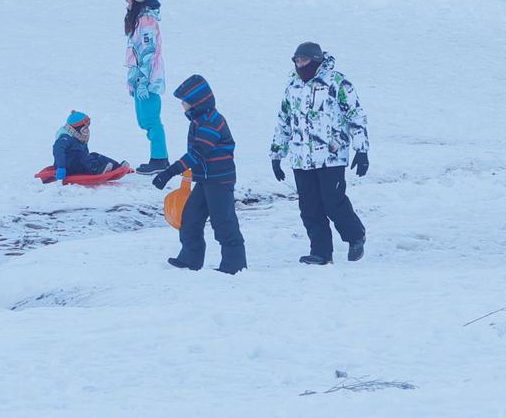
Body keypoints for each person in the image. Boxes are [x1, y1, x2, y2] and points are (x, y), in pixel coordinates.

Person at [269, 41, 369, 266]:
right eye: (296, 60)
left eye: (303, 60)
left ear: (315, 61)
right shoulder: (292, 86)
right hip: (300, 157)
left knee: (333, 202)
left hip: (330, 155)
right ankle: (321, 253)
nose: (299, 64)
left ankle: (355, 236)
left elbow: (355, 115)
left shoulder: (337, 83)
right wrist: (277, 155)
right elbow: (284, 121)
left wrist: (361, 150)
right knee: (309, 206)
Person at [152, 74, 245, 274]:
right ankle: (190, 258)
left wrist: (169, 172)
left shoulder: (211, 122)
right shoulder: (199, 120)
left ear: (197, 102)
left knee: (223, 222)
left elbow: (197, 154)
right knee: (190, 218)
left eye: (185, 102)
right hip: (205, 180)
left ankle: (235, 265)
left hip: (220, 181)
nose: (182, 106)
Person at [124, 0, 168, 174]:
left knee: (151, 120)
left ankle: (159, 159)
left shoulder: (147, 22)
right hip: (141, 79)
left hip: (148, 80)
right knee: (144, 120)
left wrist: (142, 81)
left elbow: (148, 53)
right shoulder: (139, 20)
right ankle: (158, 158)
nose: (126, 1)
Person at [51, 111, 123, 182]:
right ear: (76, 127)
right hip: (67, 167)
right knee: (80, 155)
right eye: (84, 128)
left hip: (77, 164)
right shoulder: (66, 137)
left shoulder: (79, 137)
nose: (86, 130)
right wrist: (61, 167)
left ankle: (116, 166)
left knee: (94, 155)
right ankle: (95, 169)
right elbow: (58, 150)